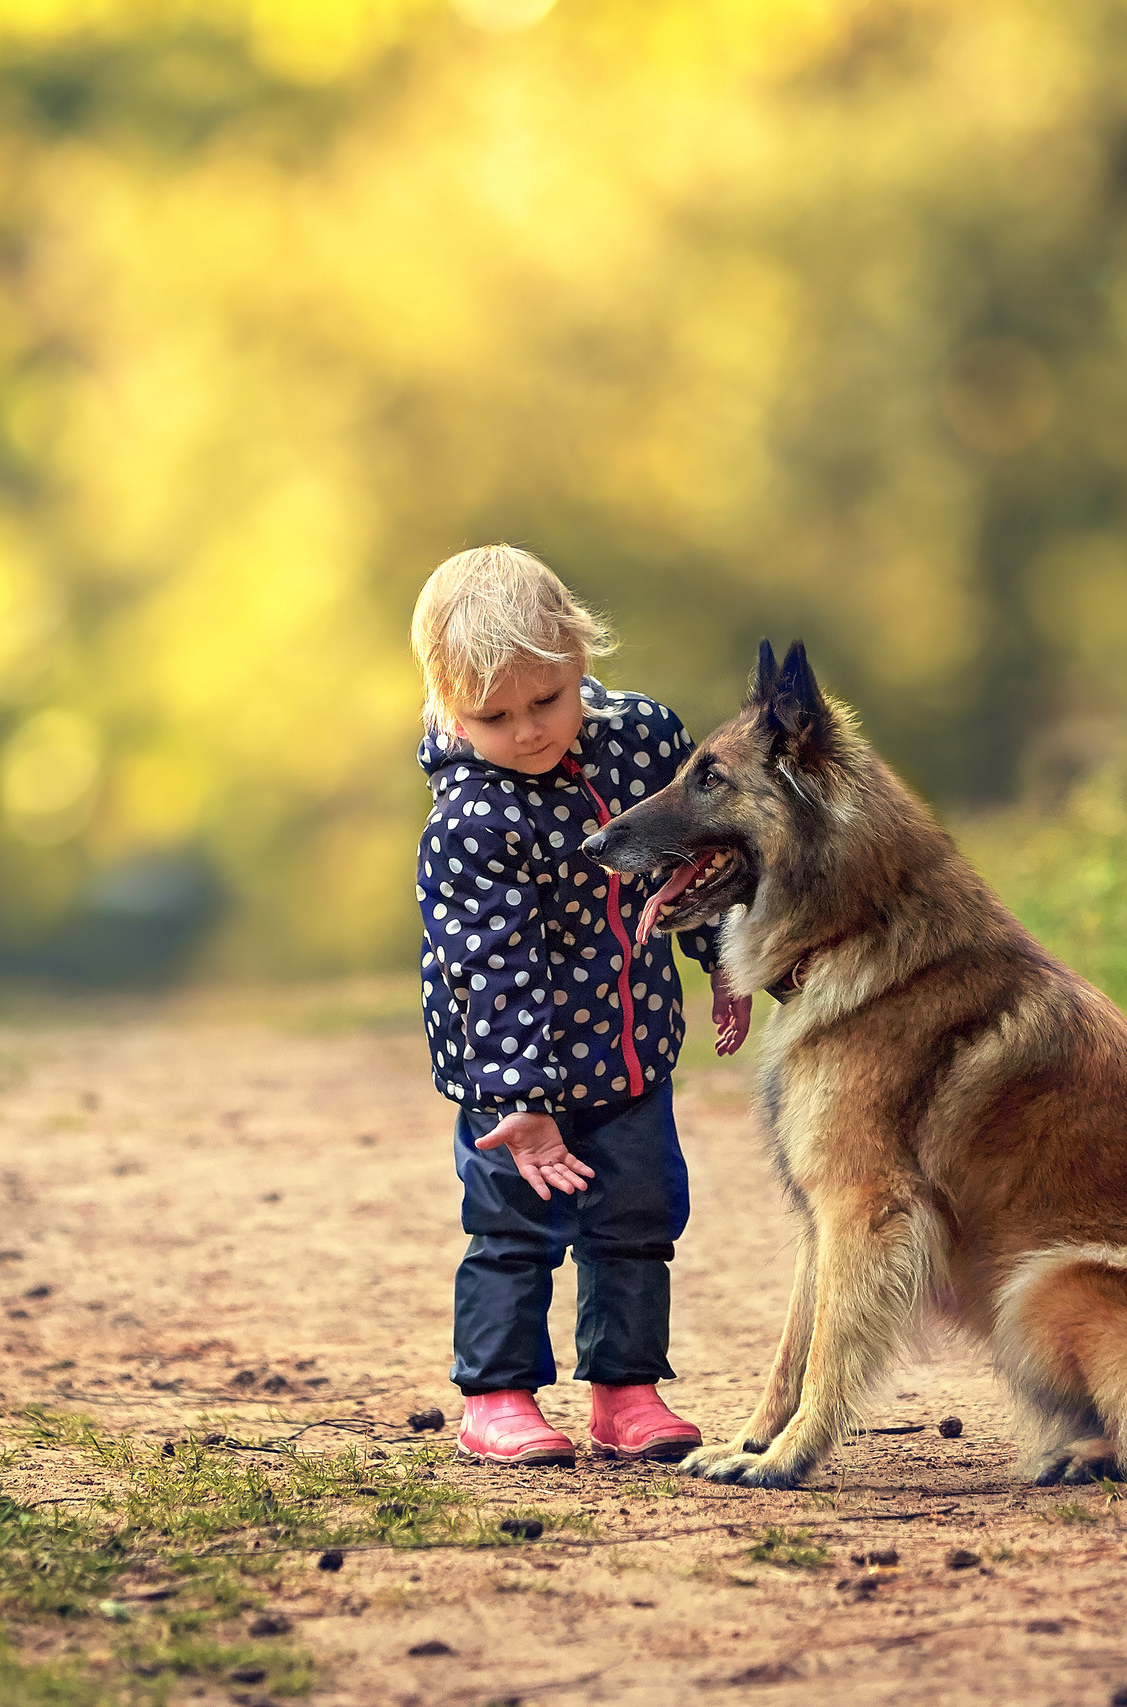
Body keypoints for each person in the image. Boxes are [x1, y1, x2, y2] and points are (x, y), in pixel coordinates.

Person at [410, 544, 750, 1466]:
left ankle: (625, 1390)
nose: (527, 730)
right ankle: (498, 1396)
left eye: (547, 699)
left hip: (631, 1048)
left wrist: (720, 959)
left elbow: (690, 862)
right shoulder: (471, 819)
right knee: (513, 1230)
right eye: (494, 715)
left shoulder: (641, 740)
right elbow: (490, 962)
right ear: (447, 706)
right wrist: (521, 1103)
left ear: (580, 658)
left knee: (638, 1219)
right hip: (510, 1074)